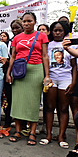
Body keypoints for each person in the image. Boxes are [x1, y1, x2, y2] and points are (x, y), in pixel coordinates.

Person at [6, 12, 51, 145]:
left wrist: (47, 75)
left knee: (33, 102)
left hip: (36, 70)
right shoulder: (17, 38)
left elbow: (45, 56)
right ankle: (18, 131)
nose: (26, 23)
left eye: (29, 21)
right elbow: (13, 56)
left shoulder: (42, 36)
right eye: (24, 21)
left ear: (35, 22)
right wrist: (8, 73)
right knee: (18, 102)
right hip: (19, 71)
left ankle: (32, 132)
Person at [41, 21, 78, 148]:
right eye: (55, 30)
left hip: (65, 79)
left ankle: (61, 136)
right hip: (51, 79)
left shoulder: (69, 45)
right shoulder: (48, 45)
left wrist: (73, 82)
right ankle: (49, 135)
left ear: (65, 32)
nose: (57, 33)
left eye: (60, 30)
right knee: (50, 107)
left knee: (63, 108)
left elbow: (74, 66)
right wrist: (47, 77)